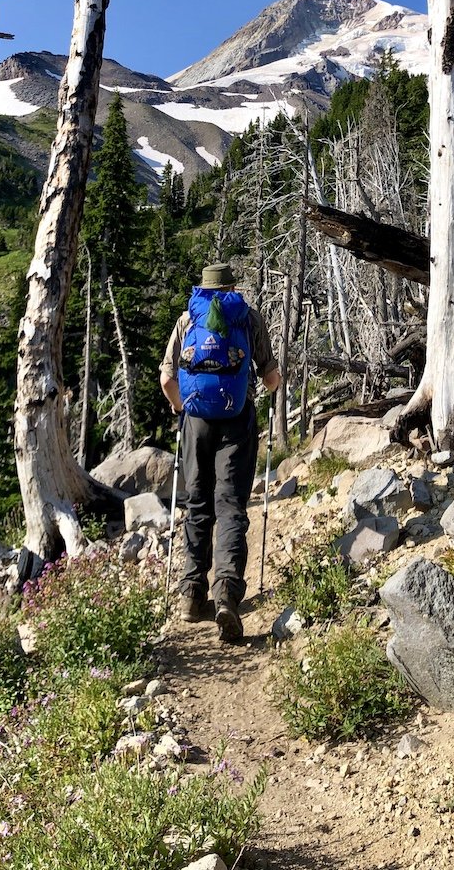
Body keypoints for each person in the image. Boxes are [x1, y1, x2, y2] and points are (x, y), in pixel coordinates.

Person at [159, 261, 280, 641]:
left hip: (196, 420)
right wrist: (269, 391)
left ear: (203, 288)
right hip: (237, 419)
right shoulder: (248, 319)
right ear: (230, 288)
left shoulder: (185, 321)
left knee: (197, 504)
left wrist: (182, 406)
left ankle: (191, 596)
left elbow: (166, 378)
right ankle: (226, 593)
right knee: (230, 505)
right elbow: (272, 377)